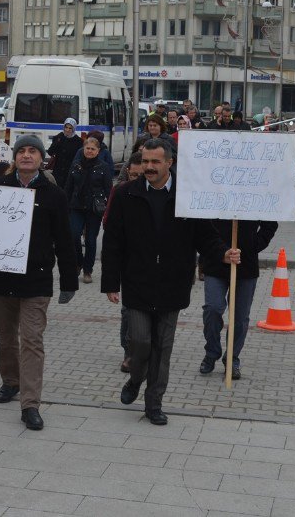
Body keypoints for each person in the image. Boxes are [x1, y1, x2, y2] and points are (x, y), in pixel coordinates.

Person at [101, 140, 237, 426]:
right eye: (146, 162)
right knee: (139, 342)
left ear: (169, 163)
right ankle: (135, 380)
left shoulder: (187, 196)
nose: (149, 167)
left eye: (155, 162)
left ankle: (154, 403)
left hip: (172, 285)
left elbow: (205, 235)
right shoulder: (125, 194)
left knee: (162, 347)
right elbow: (113, 242)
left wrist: (224, 252)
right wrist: (111, 282)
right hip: (137, 283)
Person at [0, 134, 77, 431]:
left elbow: (65, 241)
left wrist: (68, 281)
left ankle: (30, 404)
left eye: (32, 151)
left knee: (33, 340)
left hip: (37, 280)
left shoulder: (54, 195)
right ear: (14, 157)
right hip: (1, 278)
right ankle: (10, 382)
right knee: (5, 338)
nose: (26, 155)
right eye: (21, 151)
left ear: (42, 158)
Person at [200, 217, 277, 380]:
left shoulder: (257, 193)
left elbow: (270, 224)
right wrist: (213, 249)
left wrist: (253, 245)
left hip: (245, 263)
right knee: (212, 309)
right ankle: (211, 352)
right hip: (215, 261)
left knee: (240, 317)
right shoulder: (214, 192)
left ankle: (232, 358)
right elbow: (201, 223)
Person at [105, 151, 143, 374]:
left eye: (141, 176)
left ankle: (141, 349)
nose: (136, 179)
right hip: (127, 261)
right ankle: (128, 351)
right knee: (128, 311)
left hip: (147, 262)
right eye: (133, 175)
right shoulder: (119, 192)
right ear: (128, 172)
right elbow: (110, 226)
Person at [63, 136, 112, 285]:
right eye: (87, 148)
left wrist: (108, 209)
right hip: (76, 206)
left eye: (93, 149)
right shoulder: (76, 165)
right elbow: (68, 187)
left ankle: (87, 270)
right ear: (83, 149)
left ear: (98, 151)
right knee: (73, 234)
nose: (89, 151)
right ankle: (78, 262)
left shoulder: (102, 167)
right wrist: (64, 205)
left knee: (91, 240)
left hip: (94, 208)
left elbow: (108, 189)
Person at [46, 119, 84, 189]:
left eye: (70, 128)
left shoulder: (79, 141)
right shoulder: (59, 137)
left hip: (70, 172)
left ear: (74, 129)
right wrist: (58, 141)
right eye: (66, 127)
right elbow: (50, 152)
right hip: (58, 171)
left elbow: (80, 158)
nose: (67, 130)